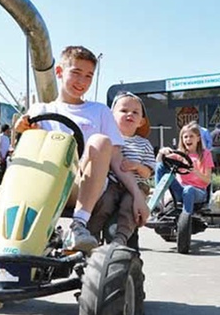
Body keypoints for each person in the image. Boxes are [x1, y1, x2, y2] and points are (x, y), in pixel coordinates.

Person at [15, 46, 145, 252]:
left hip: (82, 182)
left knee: (101, 141)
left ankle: (79, 224)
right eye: (76, 73)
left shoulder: (99, 111)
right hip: (45, 180)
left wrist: (137, 195)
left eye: (88, 76)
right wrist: (24, 131)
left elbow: (117, 160)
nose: (82, 82)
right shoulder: (41, 110)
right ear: (59, 72)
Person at [108, 92, 156, 245]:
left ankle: (121, 239)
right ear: (111, 116)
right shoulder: (107, 140)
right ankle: (91, 234)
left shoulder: (144, 144)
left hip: (136, 185)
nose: (130, 114)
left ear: (141, 121)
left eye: (135, 112)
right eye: (123, 111)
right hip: (112, 184)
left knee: (129, 205)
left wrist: (136, 165)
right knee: (103, 202)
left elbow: (148, 172)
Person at [155, 121, 214, 216]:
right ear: (182, 139)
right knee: (161, 165)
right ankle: (157, 203)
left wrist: (195, 170)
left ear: (198, 138)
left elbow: (207, 180)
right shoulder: (179, 154)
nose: (188, 139)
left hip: (198, 192)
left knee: (189, 189)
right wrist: (161, 152)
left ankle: (186, 217)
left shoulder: (205, 154)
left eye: (191, 136)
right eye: (185, 137)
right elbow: (159, 163)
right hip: (180, 190)